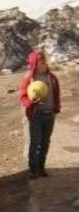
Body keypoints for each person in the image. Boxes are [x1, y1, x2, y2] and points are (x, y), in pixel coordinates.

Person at [20, 49, 61, 179]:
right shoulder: (29, 79)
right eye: (40, 61)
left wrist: (56, 109)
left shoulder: (52, 78)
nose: (43, 63)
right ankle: (33, 169)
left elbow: (57, 94)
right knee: (35, 142)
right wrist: (30, 102)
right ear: (34, 63)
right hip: (36, 115)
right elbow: (22, 97)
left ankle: (41, 167)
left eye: (44, 60)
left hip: (50, 115)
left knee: (45, 142)